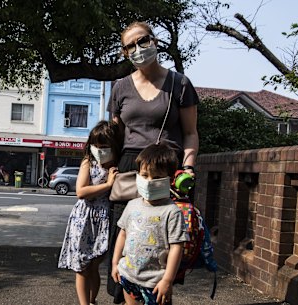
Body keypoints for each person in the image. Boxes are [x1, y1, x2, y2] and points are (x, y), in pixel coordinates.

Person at [106, 21, 199, 303]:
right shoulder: (120, 87)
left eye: (142, 41)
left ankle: (163, 292)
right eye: (129, 46)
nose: (137, 49)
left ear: (154, 41)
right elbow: (114, 136)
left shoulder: (179, 83)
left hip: (167, 171)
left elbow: (191, 133)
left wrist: (188, 168)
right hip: (129, 170)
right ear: (124, 53)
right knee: (127, 240)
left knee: (164, 244)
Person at [111, 142, 188, 305]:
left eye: (158, 177)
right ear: (138, 174)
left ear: (171, 179)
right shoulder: (132, 205)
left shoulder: (171, 212)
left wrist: (167, 280)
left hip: (156, 283)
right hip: (128, 275)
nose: (149, 181)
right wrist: (115, 263)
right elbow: (122, 234)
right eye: (145, 175)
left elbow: (177, 247)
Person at [58, 121, 122, 305]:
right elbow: (81, 192)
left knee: (94, 265)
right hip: (84, 217)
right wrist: (108, 185)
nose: (98, 150)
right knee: (82, 267)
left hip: (105, 218)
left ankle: (92, 300)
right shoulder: (89, 161)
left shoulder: (117, 164)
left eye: (104, 146)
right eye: (95, 145)